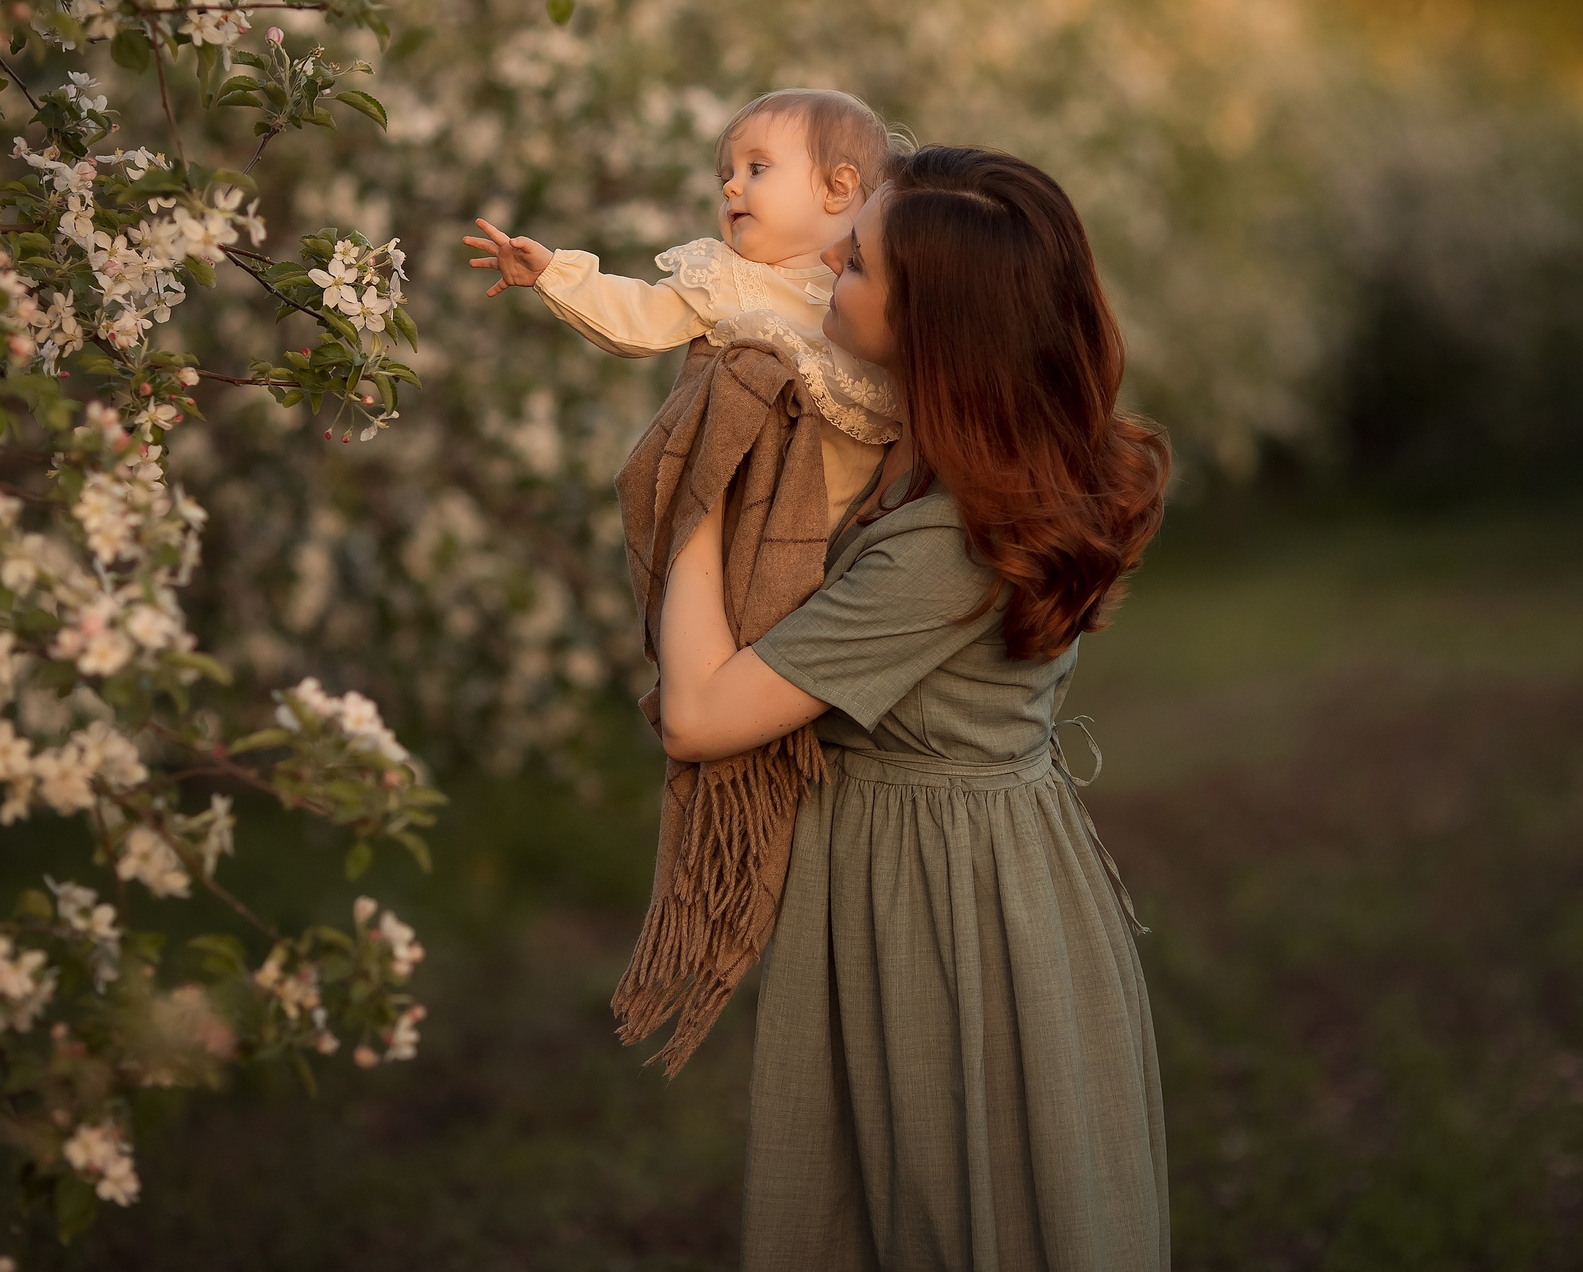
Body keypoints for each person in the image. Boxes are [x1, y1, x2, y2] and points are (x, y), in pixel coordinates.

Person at [657, 145, 1174, 1270]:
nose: (826, 264)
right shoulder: (937, 466)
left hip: (948, 910)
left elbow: (698, 714)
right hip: (936, 868)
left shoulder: (945, 549)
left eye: (857, 266)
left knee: (954, 1209)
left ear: (934, 327)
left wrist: (692, 492)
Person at [463, 87, 905, 533]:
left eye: (757, 168)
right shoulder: (728, 278)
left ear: (839, 187)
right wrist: (552, 273)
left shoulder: (878, 291)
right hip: (757, 534)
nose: (731, 186)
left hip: (853, 544)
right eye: (726, 177)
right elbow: (638, 317)